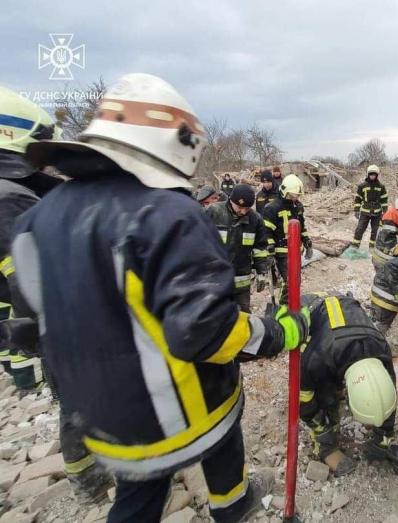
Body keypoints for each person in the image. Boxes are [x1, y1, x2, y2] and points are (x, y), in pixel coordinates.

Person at [12, 73, 310, 523]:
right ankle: (234, 508)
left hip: (104, 414)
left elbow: (32, 323)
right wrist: (278, 332)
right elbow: (206, 333)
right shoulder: (170, 215)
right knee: (224, 445)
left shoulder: (38, 219)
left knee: (137, 500)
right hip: (185, 410)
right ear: (177, 145)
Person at [0, 86, 114, 502]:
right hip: (63, 324)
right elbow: (30, 285)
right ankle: (90, 479)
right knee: (77, 400)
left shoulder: (19, 194)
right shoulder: (9, 200)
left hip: (58, 322)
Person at [299, 292, 398, 478]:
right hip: (310, 308)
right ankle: (325, 447)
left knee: (335, 391)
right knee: (327, 398)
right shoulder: (316, 360)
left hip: (347, 305)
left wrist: (383, 437)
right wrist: (325, 437)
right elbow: (305, 404)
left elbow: (386, 394)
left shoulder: (381, 351)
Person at [206, 184, 270, 313]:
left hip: (241, 283)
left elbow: (260, 247)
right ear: (231, 200)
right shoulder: (213, 212)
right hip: (214, 279)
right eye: (240, 207)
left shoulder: (255, 219)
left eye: (247, 208)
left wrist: (262, 271)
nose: (243, 211)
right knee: (214, 315)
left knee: (242, 317)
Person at [262, 173, 312, 303]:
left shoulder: (298, 207)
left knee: (295, 280)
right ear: (285, 192)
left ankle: (289, 302)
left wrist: (307, 242)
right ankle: (286, 304)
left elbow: (302, 226)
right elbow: (266, 231)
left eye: (297, 196)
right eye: (293, 195)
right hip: (282, 251)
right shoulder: (272, 208)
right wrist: (270, 247)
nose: (295, 198)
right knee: (291, 280)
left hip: (296, 250)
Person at [351, 164, 388, 249]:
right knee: (360, 229)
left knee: (375, 231)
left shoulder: (381, 187)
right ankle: (355, 246)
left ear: (377, 175)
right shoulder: (362, 186)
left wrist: (385, 212)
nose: (372, 176)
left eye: (374, 174)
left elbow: (384, 200)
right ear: (368, 174)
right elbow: (358, 199)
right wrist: (356, 210)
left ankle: (372, 247)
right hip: (365, 212)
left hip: (377, 213)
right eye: (371, 174)